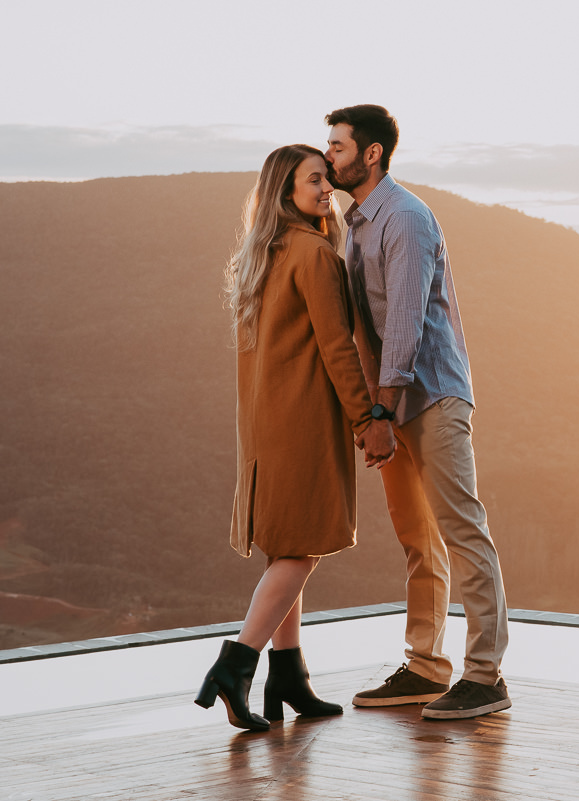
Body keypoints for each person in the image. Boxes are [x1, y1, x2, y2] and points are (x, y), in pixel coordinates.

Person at [196, 144, 396, 731]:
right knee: (303, 549)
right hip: (304, 423)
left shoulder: (263, 254)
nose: (325, 188)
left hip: (265, 426)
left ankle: (289, 675)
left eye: (326, 179)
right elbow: (337, 348)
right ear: (286, 191)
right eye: (314, 180)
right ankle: (236, 664)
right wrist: (367, 420)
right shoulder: (313, 254)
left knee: (288, 546)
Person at [323, 105, 510, 720]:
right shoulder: (355, 223)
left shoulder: (403, 217)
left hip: (428, 395)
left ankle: (486, 676)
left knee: (461, 529)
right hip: (391, 402)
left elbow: (401, 323)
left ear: (371, 153)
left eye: (339, 146)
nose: (330, 157)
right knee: (417, 540)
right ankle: (426, 667)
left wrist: (380, 410)